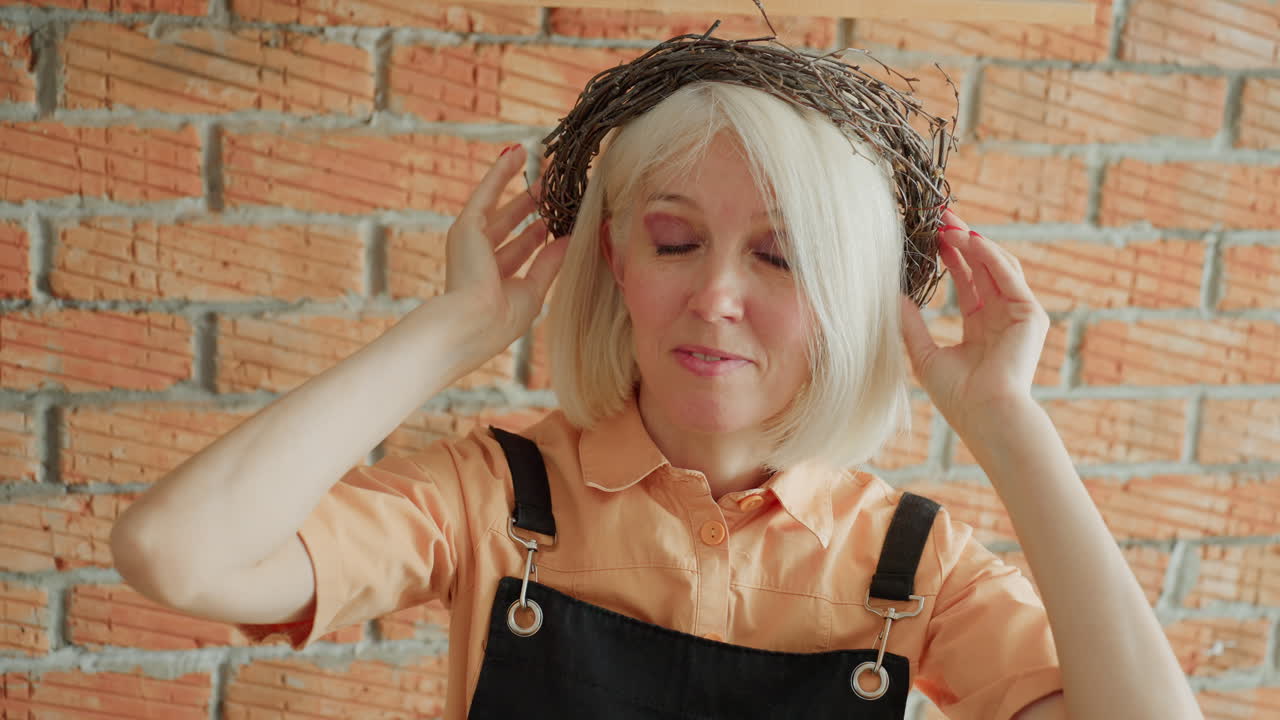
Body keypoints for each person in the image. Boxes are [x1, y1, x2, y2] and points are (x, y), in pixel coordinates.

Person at [110, 68, 1201, 720]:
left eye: (778, 258)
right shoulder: (488, 500)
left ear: (846, 303)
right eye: (675, 239)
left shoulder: (910, 569)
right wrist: (454, 327)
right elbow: (177, 554)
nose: (715, 296)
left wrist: (1008, 425)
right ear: (616, 261)